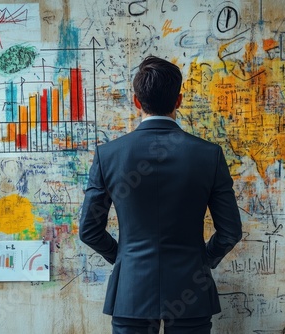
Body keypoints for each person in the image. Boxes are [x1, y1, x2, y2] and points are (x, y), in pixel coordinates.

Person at [79, 55, 242, 334]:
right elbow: (230, 232)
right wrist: (204, 260)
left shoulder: (108, 155)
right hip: (192, 289)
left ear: (137, 102)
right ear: (178, 101)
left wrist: (124, 258)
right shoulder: (209, 155)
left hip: (131, 292)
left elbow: (89, 230)